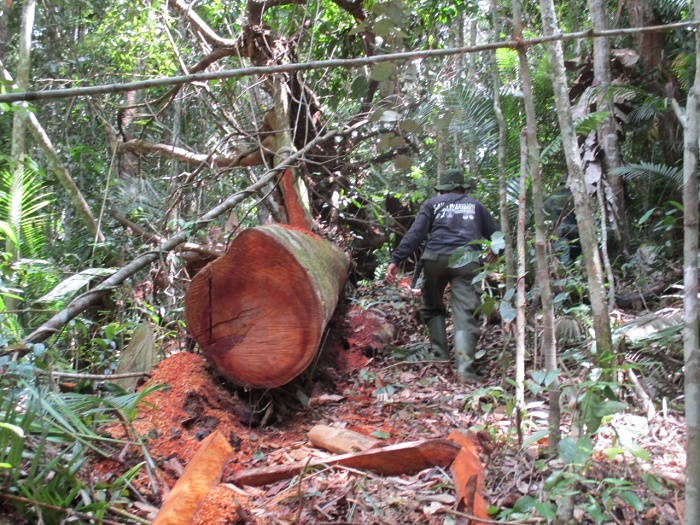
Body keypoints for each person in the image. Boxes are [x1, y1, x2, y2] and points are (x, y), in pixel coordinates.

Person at [384, 168, 500, 383]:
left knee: (432, 305)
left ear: (442, 189)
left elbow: (415, 234)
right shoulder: (476, 206)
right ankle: (465, 370)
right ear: (461, 187)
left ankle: (441, 356)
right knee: (466, 313)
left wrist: (396, 259)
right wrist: (496, 249)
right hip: (467, 260)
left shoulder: (431, 205)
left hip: (435, 259)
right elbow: (496, 234)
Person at [544, 176, 580, 265]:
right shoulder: (576, 194)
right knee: (577, 251)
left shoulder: (553, 197)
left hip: (560, 229)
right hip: (575, 229)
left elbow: (544, 213)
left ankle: (566, 273)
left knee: (563, 252)